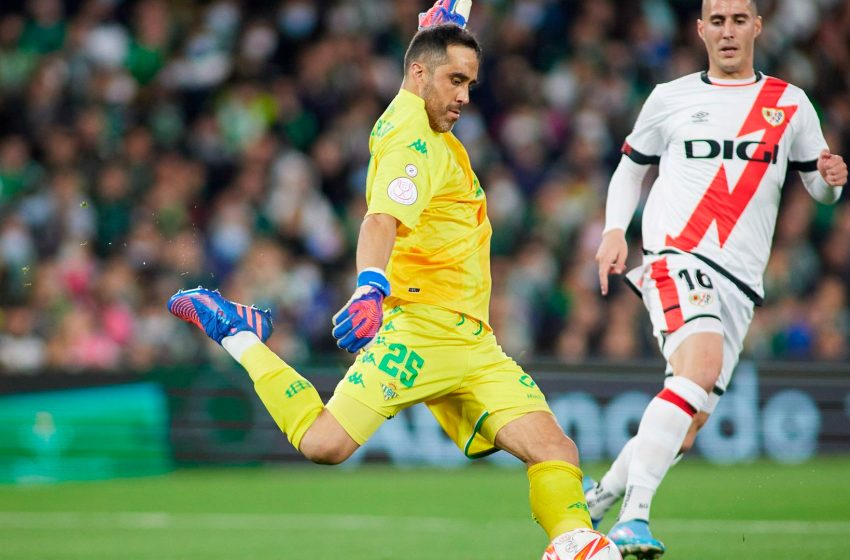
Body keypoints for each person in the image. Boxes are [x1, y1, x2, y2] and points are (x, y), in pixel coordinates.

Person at [168, 6, 594, 548]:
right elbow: (380, 219)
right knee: (325, 444)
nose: (464, 96)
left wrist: (439, 23)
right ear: (420, 75)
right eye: (455, 81)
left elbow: (428, 54)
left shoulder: (415, 108)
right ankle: (237, 332)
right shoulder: (412, 141)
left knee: (557, 452)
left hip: (475, 342)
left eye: (470, 83)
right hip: (419, 331)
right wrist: (371, 285)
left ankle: (577, 546)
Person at [587, 0, 847, 557]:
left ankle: (598, 498)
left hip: (740, 283)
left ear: (757, 26)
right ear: (700, 29)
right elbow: (630, 169)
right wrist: (614, 231)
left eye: (738, 20)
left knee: (688, 422)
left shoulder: (789, 104)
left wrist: (831, 181)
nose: (727, 32)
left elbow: (817, 187)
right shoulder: (670, 97)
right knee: (698, 369)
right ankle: (632, 518)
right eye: (717, 21)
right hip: (676, 257)